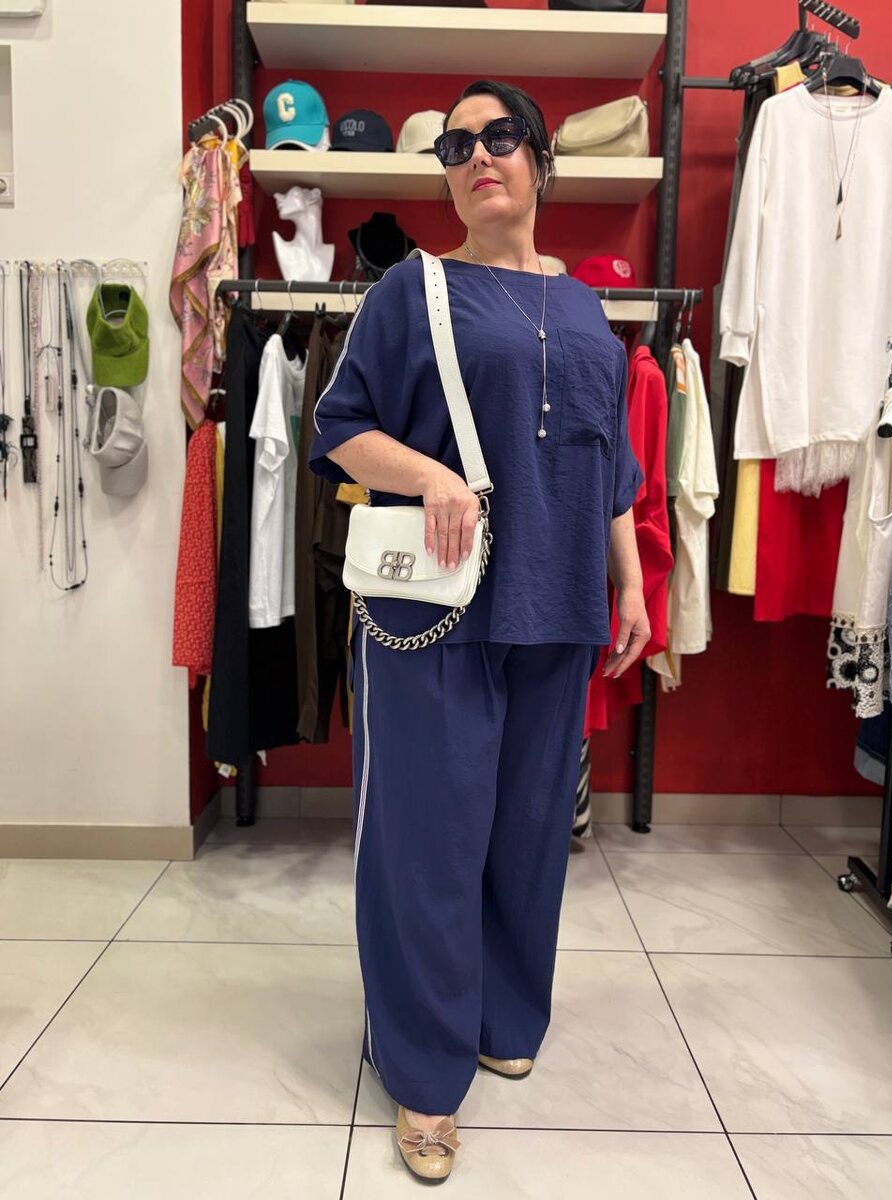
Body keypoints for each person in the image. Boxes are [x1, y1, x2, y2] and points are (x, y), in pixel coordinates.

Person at [309, 79, 650, 1182]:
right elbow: (339, 426)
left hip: (558, 605)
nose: (477, 157)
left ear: (541, 160)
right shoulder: (410, 290)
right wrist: (431, 475)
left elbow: (610, 466)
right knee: (426, 844)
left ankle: (503, 1015)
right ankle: (422, 1069)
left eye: (500, 137)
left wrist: (630, 583)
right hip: (435, 612)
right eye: (455, 146)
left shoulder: (588, 310)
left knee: (528, 834)